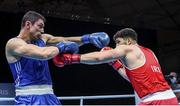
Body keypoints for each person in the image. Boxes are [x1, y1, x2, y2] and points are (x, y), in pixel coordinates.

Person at [5, 11, 110, 105]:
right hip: (27, 98)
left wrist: (87, 38)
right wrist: (61, 47)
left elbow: (65, 39)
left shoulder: (43, 38)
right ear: (28, 24)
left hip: (50, 96)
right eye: (40, 26)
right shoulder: (13, 43)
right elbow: (43, 54)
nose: (42, 30)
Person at [53, 28, 179, 105]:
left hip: (155, 101)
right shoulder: (150, 52)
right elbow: (134, 79)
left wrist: (71, 59)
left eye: (118, 42)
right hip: (169, 99)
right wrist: (115, 63)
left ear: (128, 41)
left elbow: (99, 57)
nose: (117, 46)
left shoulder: (128, 48)